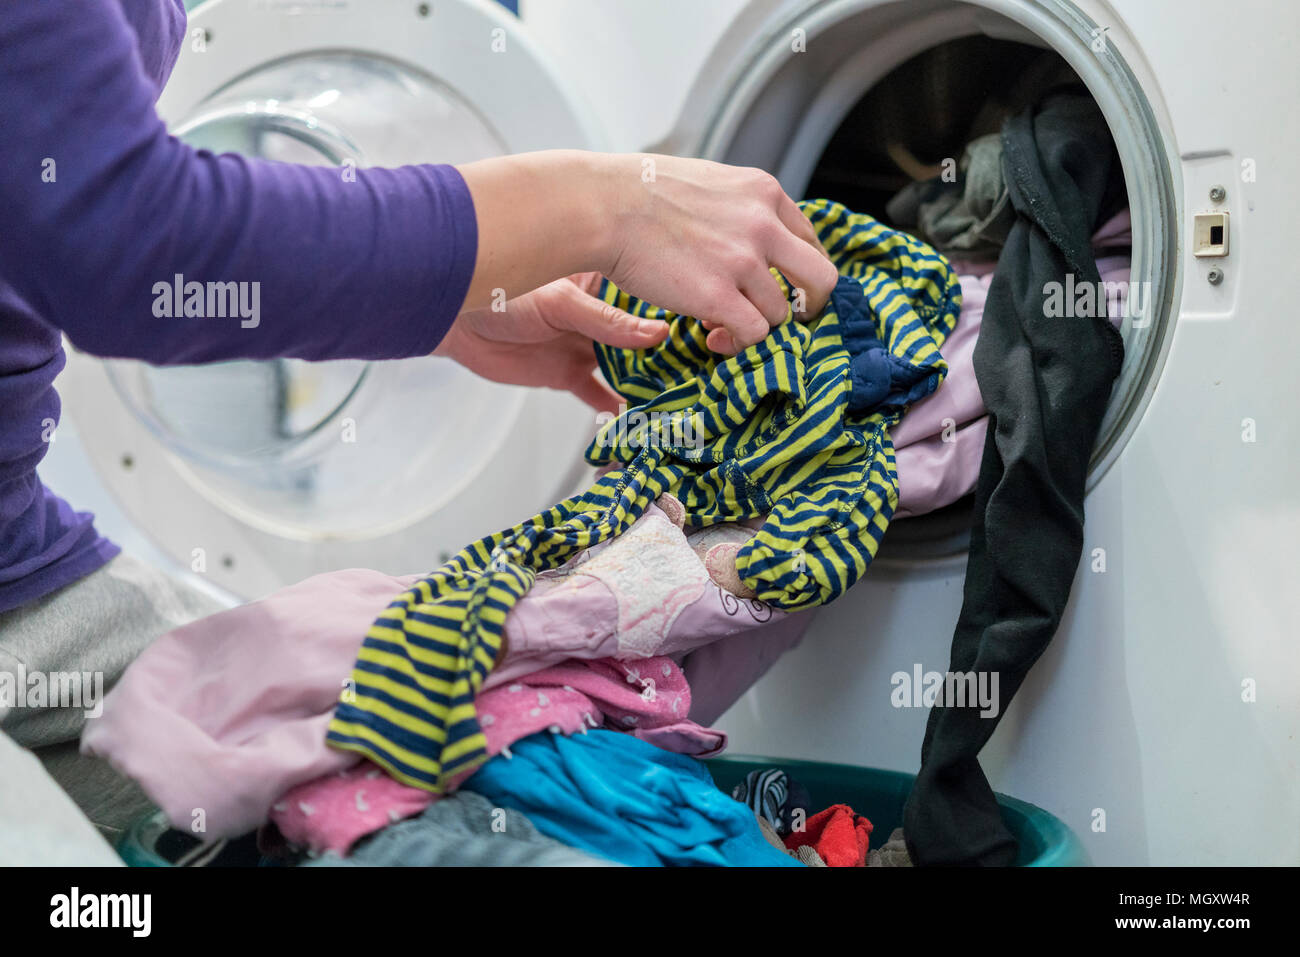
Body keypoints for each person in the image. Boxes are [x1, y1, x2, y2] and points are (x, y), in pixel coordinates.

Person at [0, 1, 840, 861]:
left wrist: (443, 303)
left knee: (422, 766)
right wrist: (613, 206)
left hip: (27, 578)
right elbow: (130, 245)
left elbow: (45, 203)